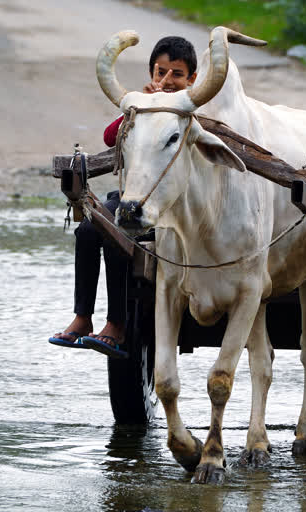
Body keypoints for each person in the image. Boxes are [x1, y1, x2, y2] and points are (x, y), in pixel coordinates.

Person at [50, 36, 198, 357]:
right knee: (91, 229)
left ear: (192, 80)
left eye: (177, 74)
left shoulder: (192, 112)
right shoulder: (141, 107)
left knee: (119, 232)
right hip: (133, 195)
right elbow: (108, 137)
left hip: (174, 208)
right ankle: (82, 317)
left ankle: (116, 324)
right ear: (151, 74)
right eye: (161, 72)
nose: (167, 81)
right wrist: (138, 106)